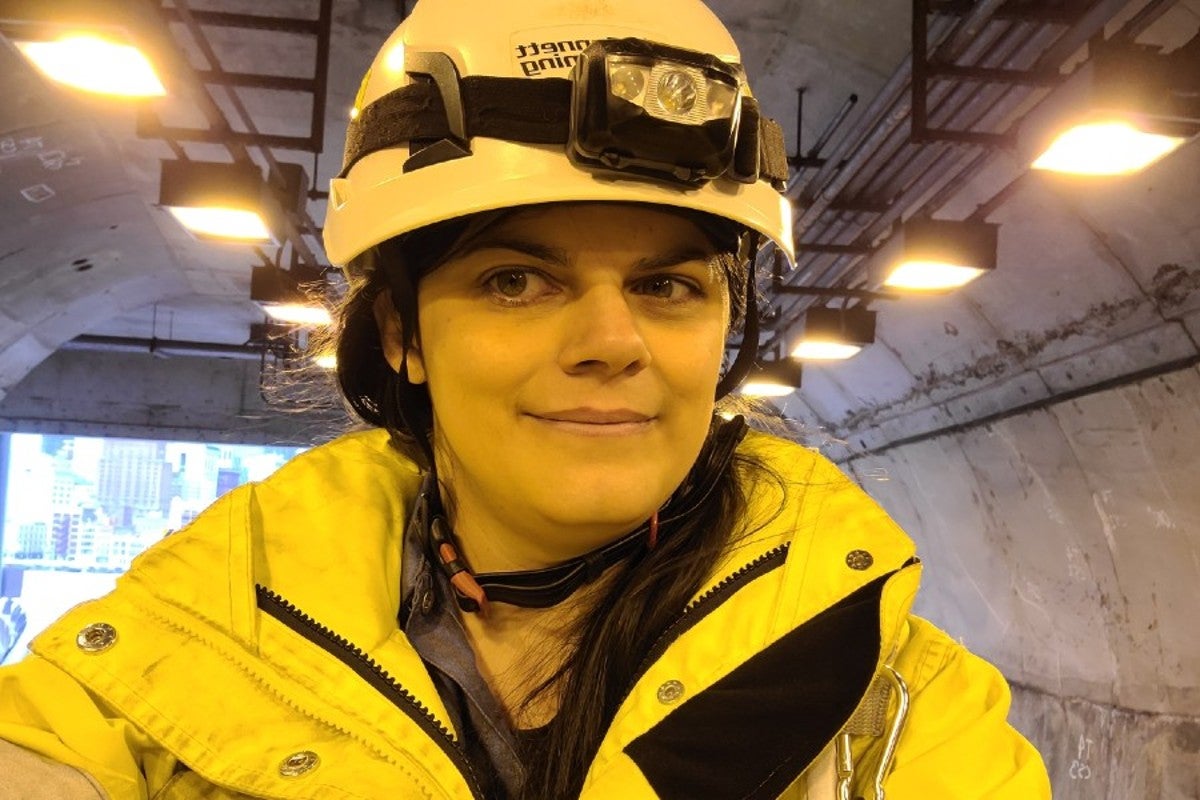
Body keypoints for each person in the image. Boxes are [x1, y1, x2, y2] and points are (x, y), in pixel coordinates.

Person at [0, 0, 1052, 798]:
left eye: (668, 285)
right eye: (515, 279)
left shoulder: (894, 707)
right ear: (404, 333)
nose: (611, 341)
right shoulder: (165, 664)